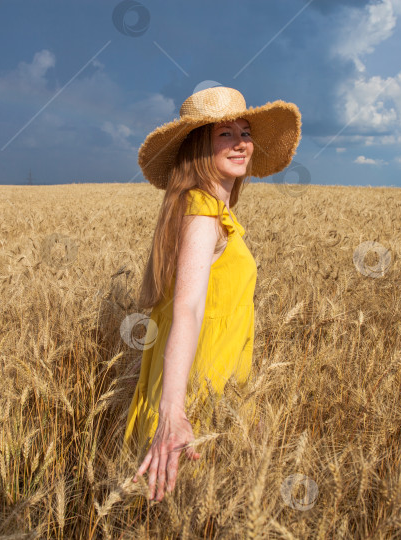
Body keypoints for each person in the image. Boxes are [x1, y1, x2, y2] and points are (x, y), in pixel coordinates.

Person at [122, 86, 301, 502]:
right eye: (225, 134)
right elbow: (186, 308)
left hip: (213, 373)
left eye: (245, 132)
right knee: (192, 505)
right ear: (200, 146)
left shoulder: (206, 207)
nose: (241, 143)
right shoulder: (202, 212)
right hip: (200, 379)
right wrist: (174, 411)